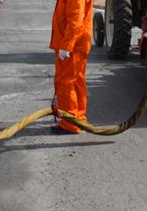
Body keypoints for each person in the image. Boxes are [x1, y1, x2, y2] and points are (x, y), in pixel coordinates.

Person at [50, 0, 93, 134]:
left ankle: (69, 124)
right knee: (76, 81)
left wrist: (66, 45)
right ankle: (78, 118)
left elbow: (76, 18)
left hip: (73, 45)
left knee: (66, 82)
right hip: (77, 43)